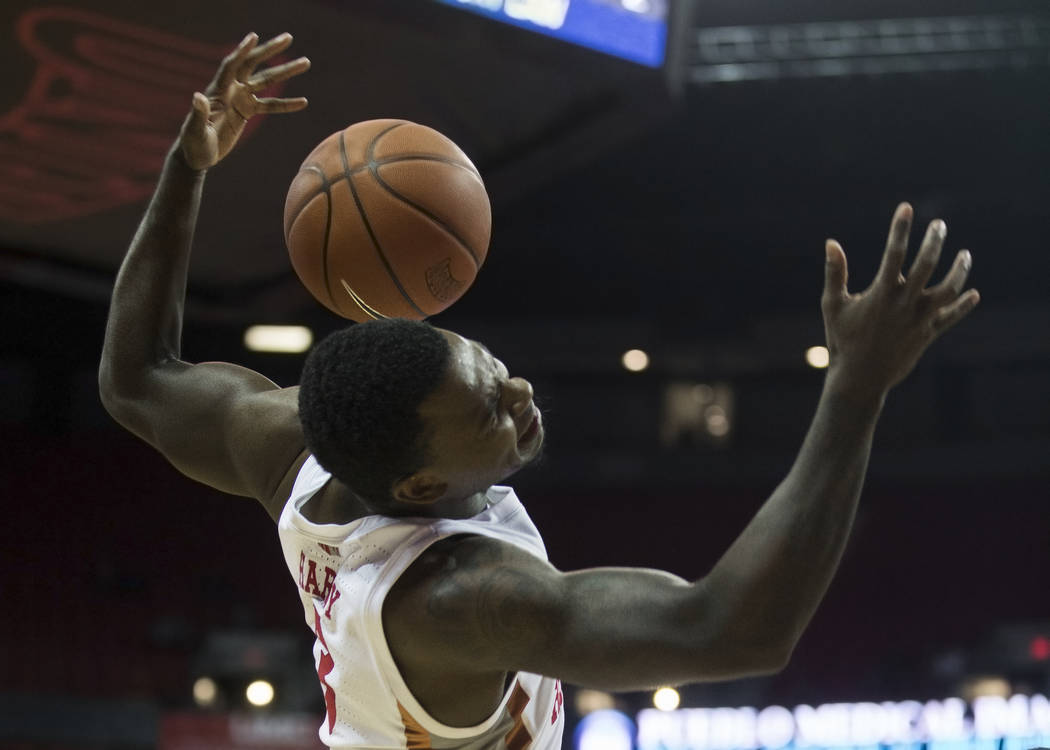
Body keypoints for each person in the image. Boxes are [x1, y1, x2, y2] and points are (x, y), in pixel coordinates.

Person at [98, 32, 980, 750]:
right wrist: (857, 389)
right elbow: (730, 630)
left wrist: (190, 163)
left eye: (488, 363)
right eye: (487, 410)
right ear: (418, 490)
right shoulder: (462, 598)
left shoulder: (294, 440)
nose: (519, 392)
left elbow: (138, 379)